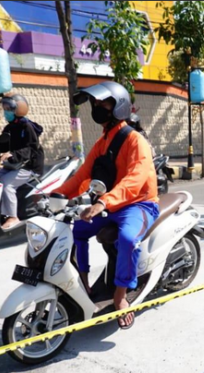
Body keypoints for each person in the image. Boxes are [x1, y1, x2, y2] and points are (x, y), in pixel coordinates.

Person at [54, 81, 160, 330]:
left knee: (127, 240)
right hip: (111, 205)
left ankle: (121, 296)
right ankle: (83, 281)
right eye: (96, 103)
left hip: (140, 205)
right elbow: (81, 177)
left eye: (104, 103)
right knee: (78, 230)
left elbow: (134, 180)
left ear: (119, 106)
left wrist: (102, 202)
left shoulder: (136, 141)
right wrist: (54, 194)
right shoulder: (102, 143)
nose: (98, 107)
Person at [0, 93, 44, 229]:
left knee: (5, 184)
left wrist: (12, 155)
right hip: (14, 165)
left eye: (9, 108)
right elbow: (1, 146)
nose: (6, 112)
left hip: (29, 167)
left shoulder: (27, 127)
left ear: (18, 109)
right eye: (4, 108)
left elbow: (31, 149)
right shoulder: (10, 127)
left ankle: (13, 217)